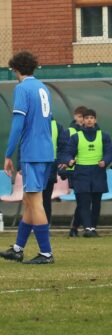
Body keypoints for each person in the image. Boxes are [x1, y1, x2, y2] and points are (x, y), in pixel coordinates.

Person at [0, 51, 55, 264]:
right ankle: (17, 248)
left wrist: (8, 153)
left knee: (35, 202)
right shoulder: (43, 87)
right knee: (29, 201)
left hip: (32, 152)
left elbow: (17, 124)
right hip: (45, 151)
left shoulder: (22, 88)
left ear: (16, 69)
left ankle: (46, 253)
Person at [64, 109, 112, 237]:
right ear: (83, 120)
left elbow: (109, 152)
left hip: (98, 171)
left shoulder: (104, 136)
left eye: (92, 117)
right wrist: (69, 160)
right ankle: (87, 228)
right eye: (87, 118)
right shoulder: (76, 137)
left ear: (95, 120)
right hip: (81, 172)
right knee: (84, 202)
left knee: (96, 202)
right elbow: (68, 152)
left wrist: (105, 161)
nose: (89, 120)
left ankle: (92, 227)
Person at [64, 105, 87, 237]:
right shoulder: (70, 131)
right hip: (74, 171)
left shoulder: (91, 131)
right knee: (82, 199)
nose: (81, 120)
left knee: (84, 200)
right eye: (78, 117)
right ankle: (75, 227)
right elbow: (67, 151)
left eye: (82, 117)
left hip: (86, 169)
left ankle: (77, 227)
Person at [41, 117, 69, 224]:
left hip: (50, 168)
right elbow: (23, 144)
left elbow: (63, 147)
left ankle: (45, 225)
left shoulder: (57, 126)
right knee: (33, 199)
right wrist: (20, 166)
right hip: (34, 167)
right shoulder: (32, 123)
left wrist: (62, 165)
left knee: (46, 199)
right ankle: (34, 224)